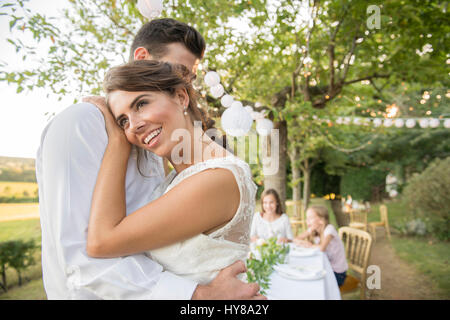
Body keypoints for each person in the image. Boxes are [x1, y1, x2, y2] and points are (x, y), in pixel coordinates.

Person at [36, 18, 262, 300]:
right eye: (179, 71)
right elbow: (80, 262)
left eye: (189, 78)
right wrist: (199, 295)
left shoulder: (168, 154)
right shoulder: (82, 124)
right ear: (142, 59)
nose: (187, 85)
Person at [85, 59, 258, 287]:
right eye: (123, 121)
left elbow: (100, 242)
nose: (133, 126)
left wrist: (117, 143)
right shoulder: (180, 176)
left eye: (141, 104)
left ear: (181, 97)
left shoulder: (217, 177)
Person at [294, 205, 348, 287]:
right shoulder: (314, 229)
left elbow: (322, 248)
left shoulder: (329, 229)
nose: (307, 221)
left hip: (338, 273)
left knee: (312, 283)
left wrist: (309, 245)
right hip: (326, 267)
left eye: (310, 218)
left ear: (321, 220)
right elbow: (296, 239)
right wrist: (302, 242)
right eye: (307, 218)